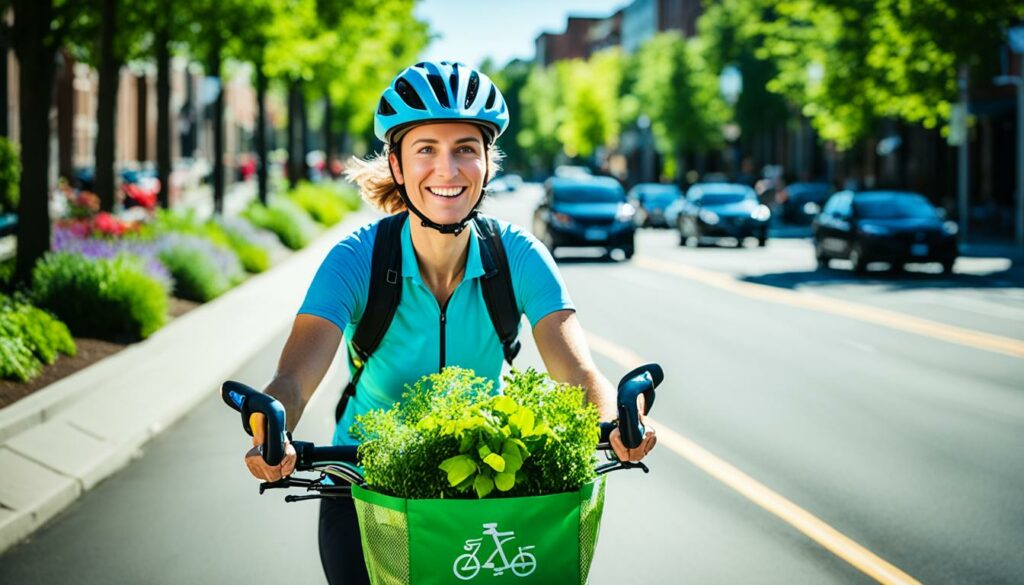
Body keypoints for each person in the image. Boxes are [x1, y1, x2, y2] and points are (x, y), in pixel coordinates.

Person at [243, 60, 657, 585]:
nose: (448, 169)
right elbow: (294, 381)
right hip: (366, 489)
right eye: (426, 150)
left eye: (465, 148)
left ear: (488, 161)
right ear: (396, 164)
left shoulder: (518, 256)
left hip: (484, 489)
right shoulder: (355, 261)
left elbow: (577, 374)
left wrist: (617, 420)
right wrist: (271, 428)